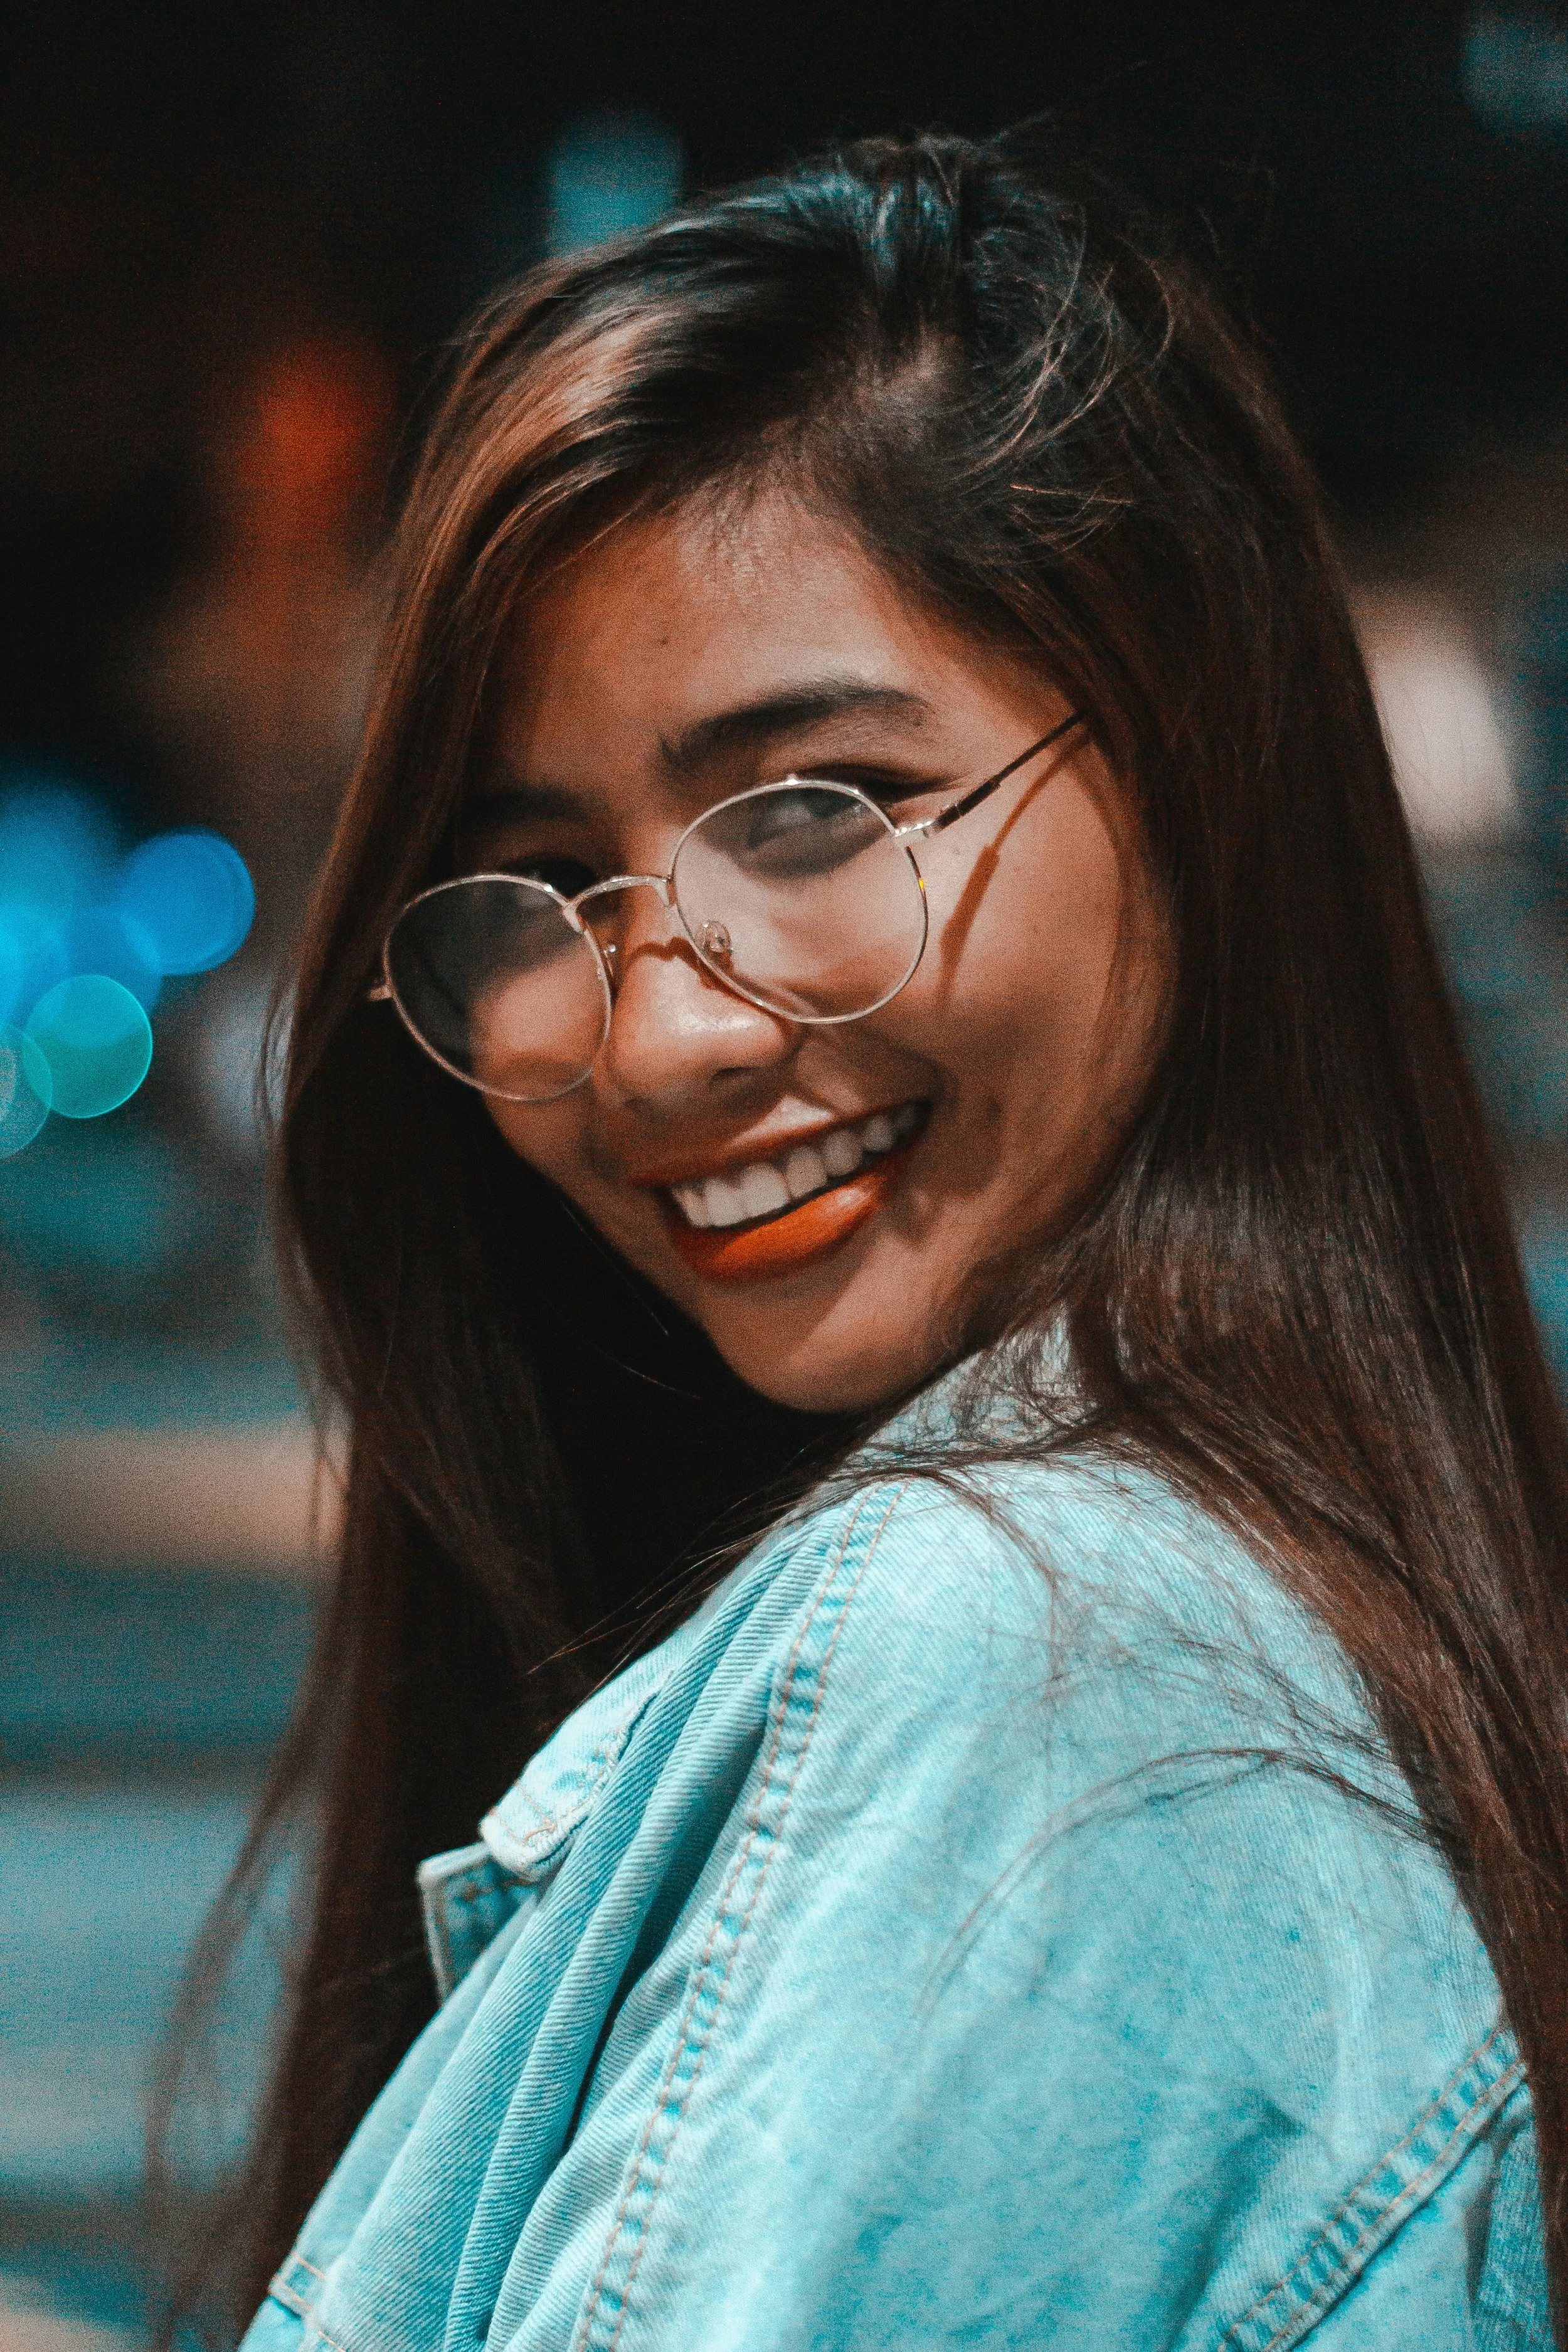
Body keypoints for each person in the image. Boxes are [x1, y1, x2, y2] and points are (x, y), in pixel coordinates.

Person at [169, 130, 1567, 2348]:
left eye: (818, 807)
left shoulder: (1019, 1671)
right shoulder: (1237, 1614)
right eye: (532, 881)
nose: (656, 1041)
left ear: (1198, 774)